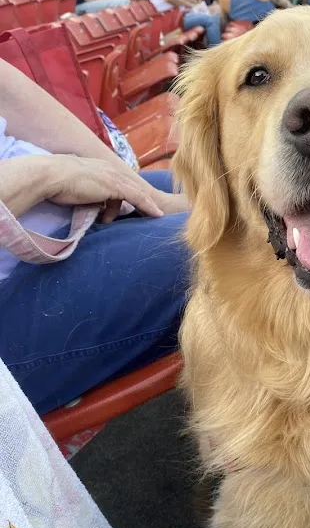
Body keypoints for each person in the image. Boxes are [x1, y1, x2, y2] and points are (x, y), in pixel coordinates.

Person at [0, 59, 190, 414]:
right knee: (232, 241)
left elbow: (12, 96)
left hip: (73, 214)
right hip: (15, 291)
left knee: (223, 192)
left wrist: (149, 197)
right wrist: (44, 175)